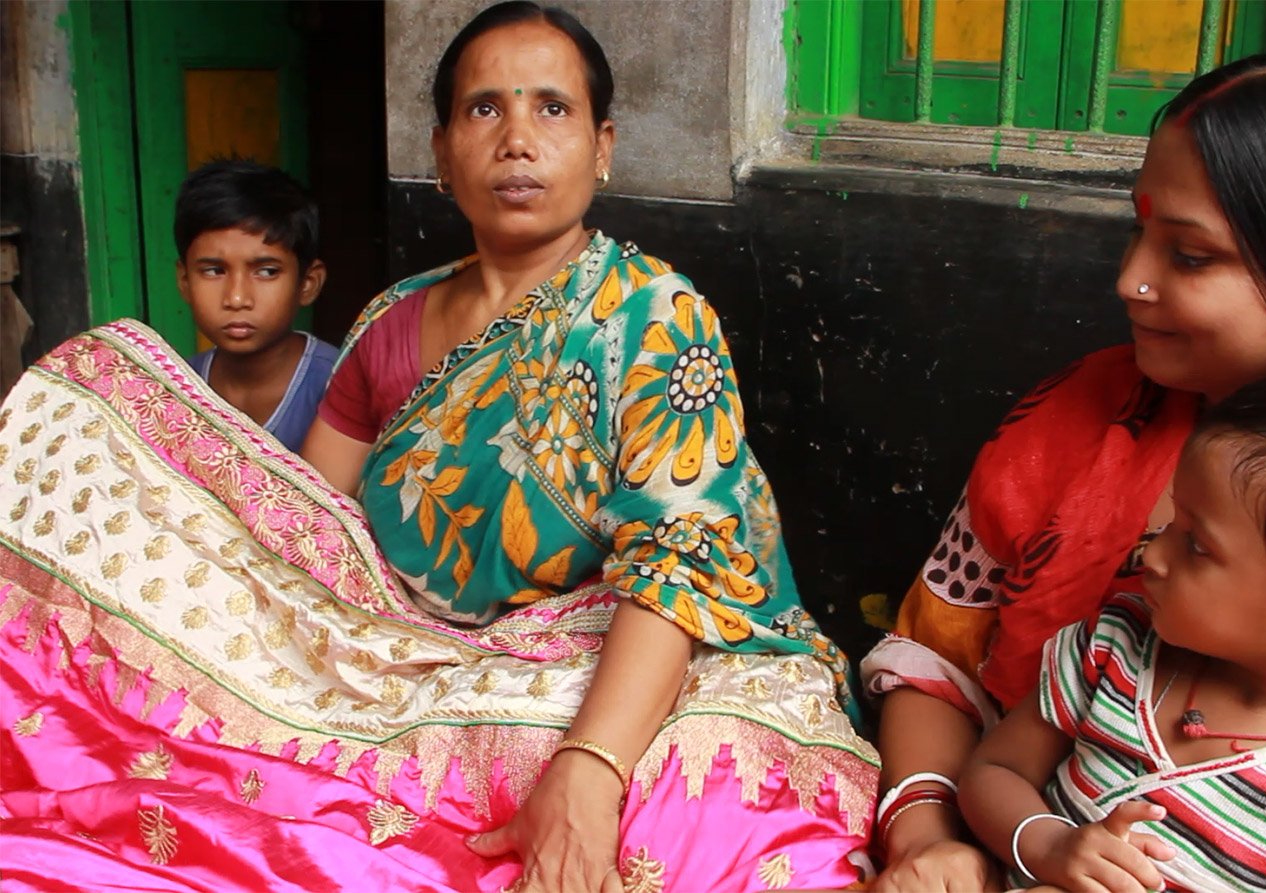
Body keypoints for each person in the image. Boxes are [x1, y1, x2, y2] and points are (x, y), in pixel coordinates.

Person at [0, 3, 874, 891]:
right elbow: (307, 548)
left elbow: (683, 566)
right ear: (442, 149)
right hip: (423, 670)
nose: (519, 139)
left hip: (609, 663)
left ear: (603, 147)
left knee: (710, 795)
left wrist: (592, 765)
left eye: (553, 109)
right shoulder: (389, 325)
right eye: (485, 109)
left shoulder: (654, 317)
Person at [863, 45, 1266, 891]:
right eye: (1137, 230)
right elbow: (939, 658)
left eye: (1189, 256)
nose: (1129, 280)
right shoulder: (1081, 415)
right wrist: (930, 838)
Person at [960, 364, 1266, 892]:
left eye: (1196, 545)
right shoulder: (1115, 646)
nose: (1154, 553)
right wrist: (1048, 845)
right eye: (1173, 520)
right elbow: (994, 771)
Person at [177, 159, 337, 452]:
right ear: (185, 281)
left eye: (266, 272)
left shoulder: (339, 390)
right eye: (214, 271)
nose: (237, 298)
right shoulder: (174, 391)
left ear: (308, 283)